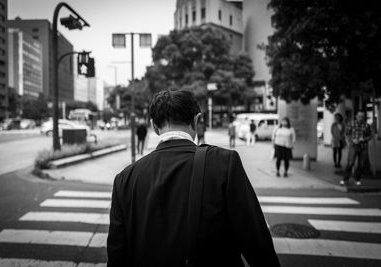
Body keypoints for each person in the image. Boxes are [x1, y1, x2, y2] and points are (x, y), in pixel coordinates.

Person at [107, 90, 280, 267]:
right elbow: (256, 241)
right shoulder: (224, 163)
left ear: (154, 126)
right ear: (197, 120)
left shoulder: (124, 179)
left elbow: (117, 256)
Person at [340, 111, 372, 186]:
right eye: (359, 116)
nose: (361, 118)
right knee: (350, 163)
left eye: (362, 116)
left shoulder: (366, 125)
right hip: (353, 146)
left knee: (361, 164)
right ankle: (345, 178)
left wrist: (364, 139)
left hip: (363, 146)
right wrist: (352, 140)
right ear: (356, 116)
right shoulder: (351, 124)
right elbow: (346, 134)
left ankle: (357, 178)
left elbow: (370, 136)